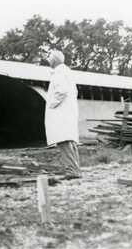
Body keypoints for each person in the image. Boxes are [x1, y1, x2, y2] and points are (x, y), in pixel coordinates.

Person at [45, 50, 82, 180]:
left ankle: (72, 171)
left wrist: (51, 104)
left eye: (49, 58)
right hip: (68, 112)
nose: (48, 60)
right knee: (70, 141)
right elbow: (74, 91)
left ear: (54, 60)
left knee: (64, 141)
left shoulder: (59, 72)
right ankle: (76, 170)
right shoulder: (67, 72)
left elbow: (61, 91)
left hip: (61, 114)